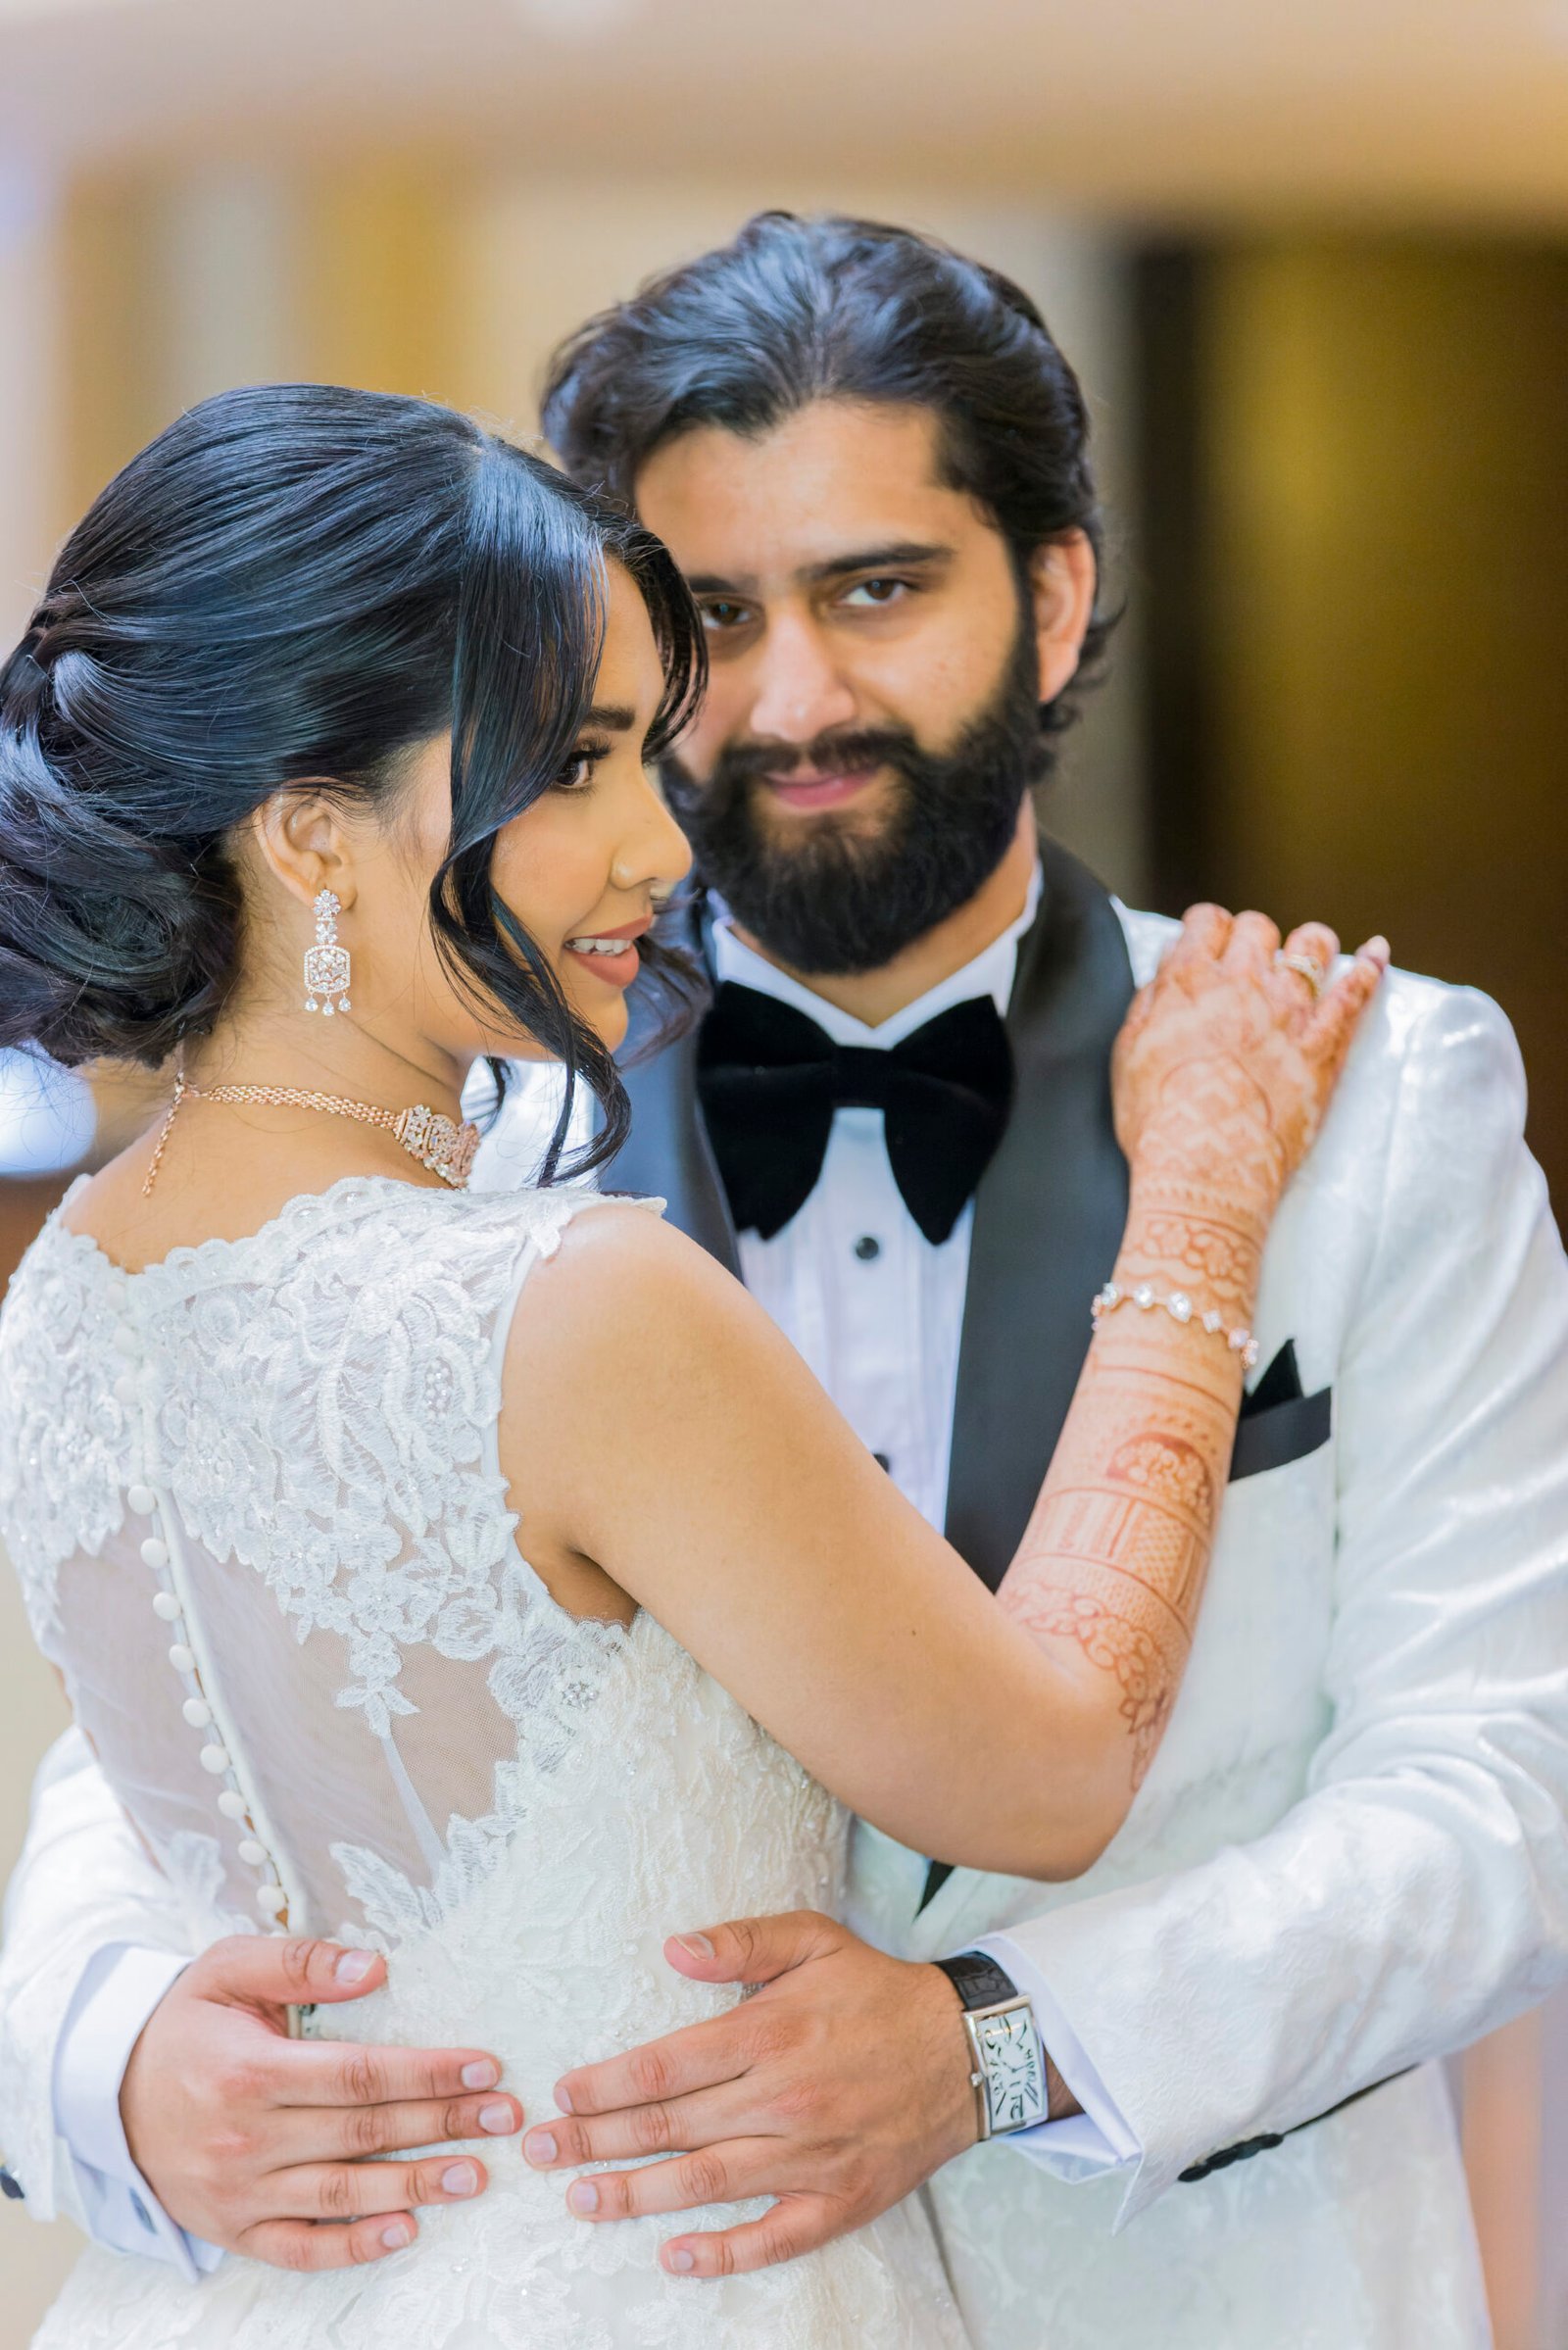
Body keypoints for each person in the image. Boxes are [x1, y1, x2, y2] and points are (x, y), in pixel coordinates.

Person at [3, 217, 1562, 2348]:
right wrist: (110, 2057)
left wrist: (1003, 2042)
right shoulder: (467, 1142)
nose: (794, 701)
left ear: (1054, 597)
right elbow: (180, 1743)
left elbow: (1505, 1782)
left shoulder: (1362, 1088)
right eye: (713, 623)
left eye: (878, 590)